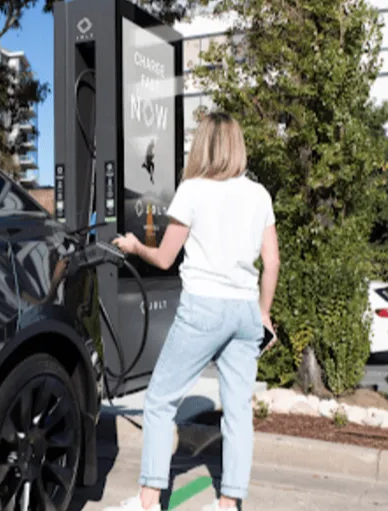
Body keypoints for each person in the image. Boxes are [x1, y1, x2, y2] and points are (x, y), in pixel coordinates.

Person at [107, 111, 280, 511]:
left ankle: (149, 501)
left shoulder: (193, 190)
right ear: (237, 145)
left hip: (203, 307)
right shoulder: (259, 195)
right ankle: (229, 504)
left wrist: (135, 247)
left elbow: (166, 258)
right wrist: (264, 314)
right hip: (244, 312)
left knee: (160, 401)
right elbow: (271, 263)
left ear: (202, 144)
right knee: (237, 412)